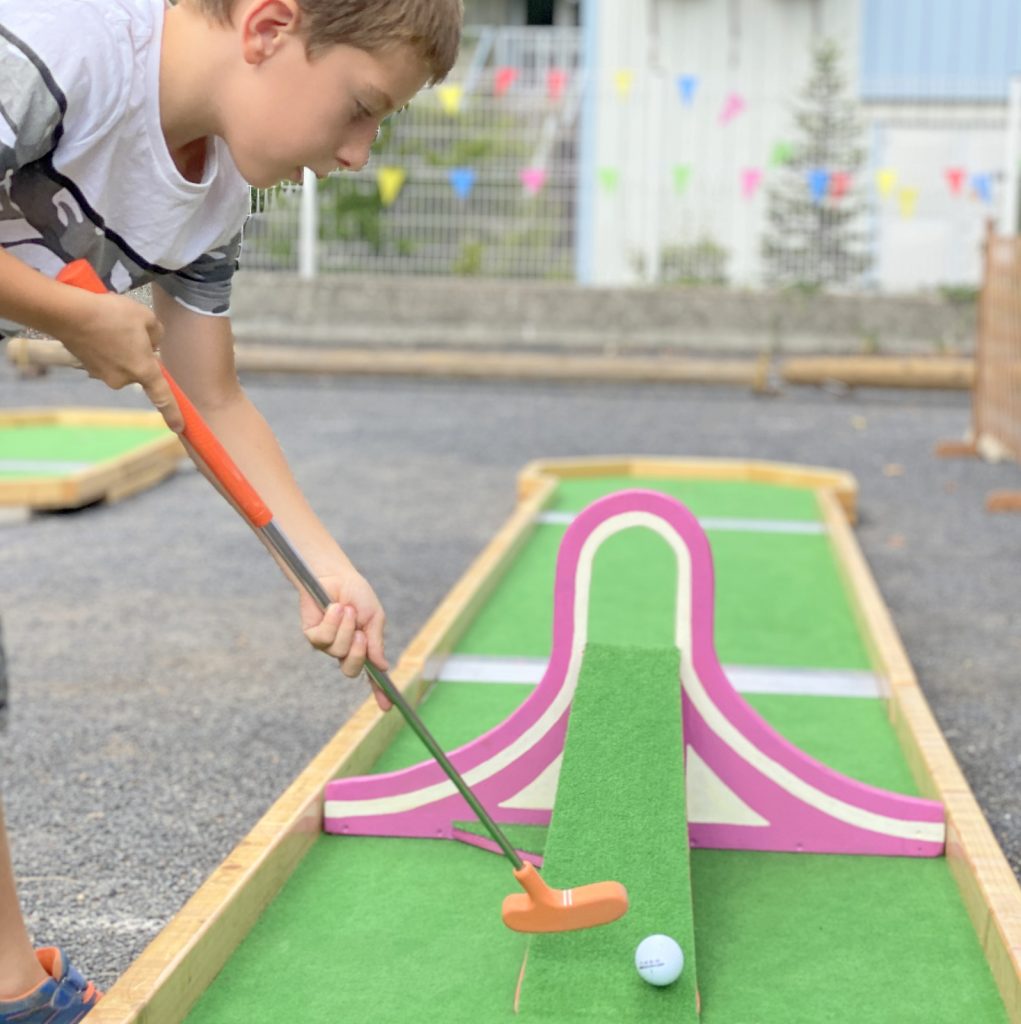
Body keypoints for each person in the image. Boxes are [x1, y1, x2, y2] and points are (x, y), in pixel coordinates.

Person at [0, 0, 462, 1018]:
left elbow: (212, 394)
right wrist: (74, 312)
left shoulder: (210, 201)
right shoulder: (63, 49)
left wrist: (324, 566)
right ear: (266, 28)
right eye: (358, 107)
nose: (355, 151)